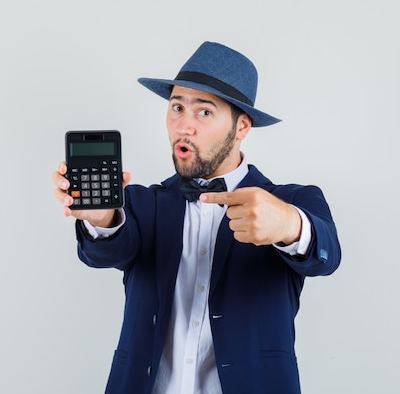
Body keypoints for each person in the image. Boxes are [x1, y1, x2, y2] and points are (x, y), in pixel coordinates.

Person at [52, 41, 341, 394]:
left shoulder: (293, 200)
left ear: (241, 127)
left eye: (204, 112)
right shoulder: (141, 204)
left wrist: (287, 224)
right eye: (177, 107)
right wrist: (101, 218)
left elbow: (327, 255)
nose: (183, 126)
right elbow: (107, 251)